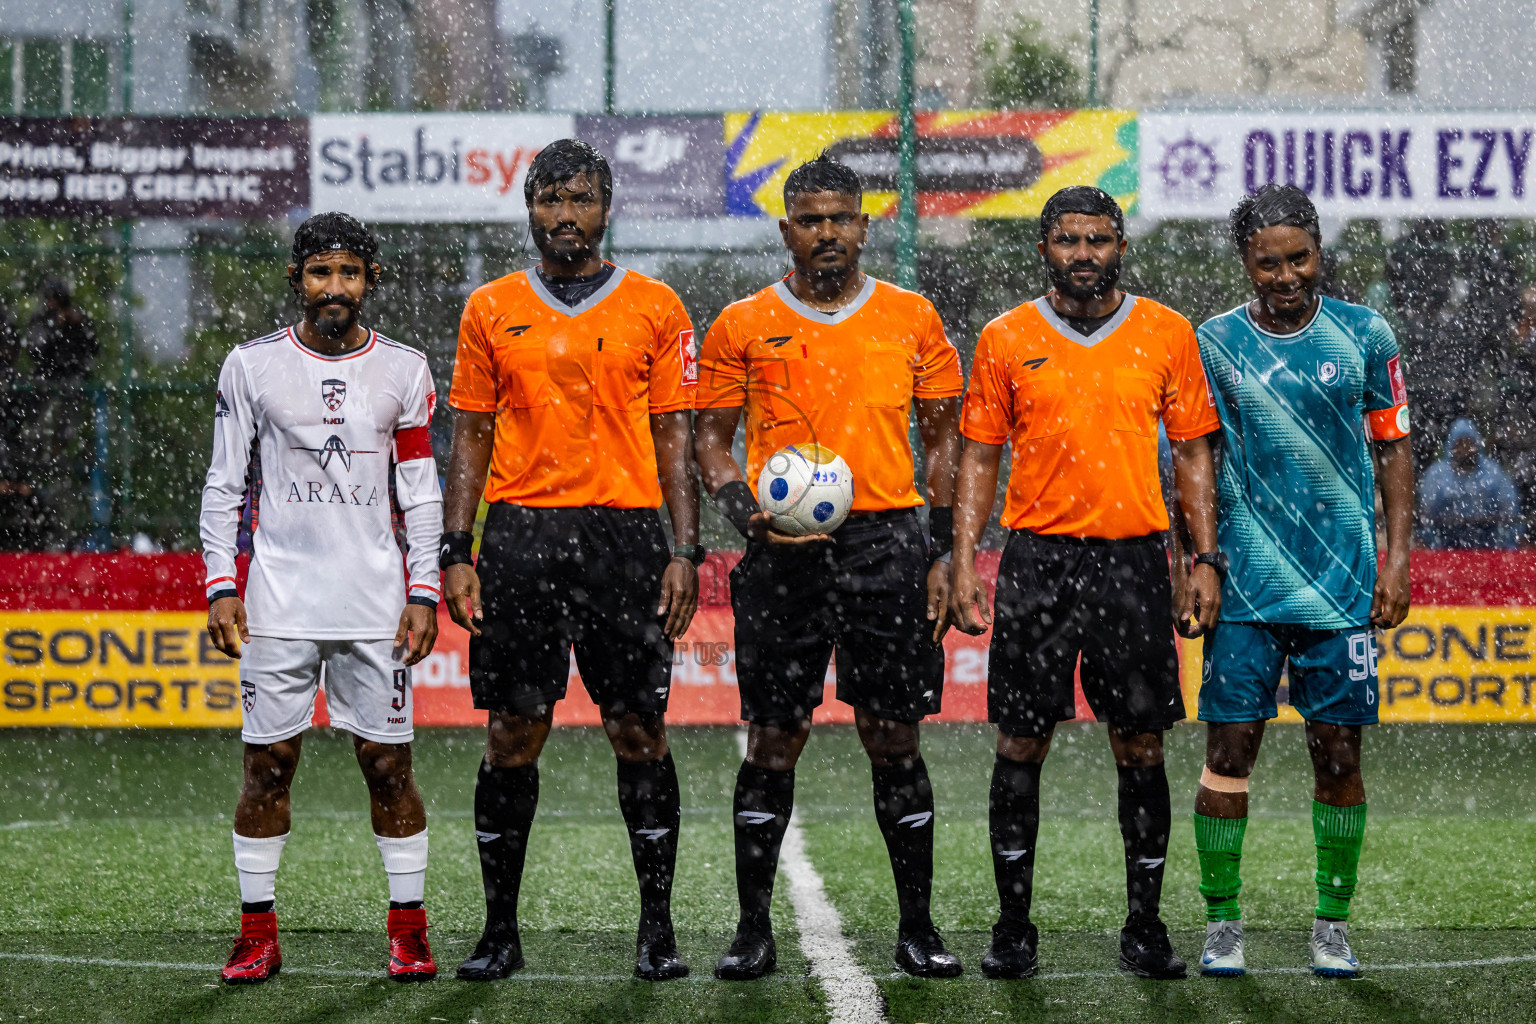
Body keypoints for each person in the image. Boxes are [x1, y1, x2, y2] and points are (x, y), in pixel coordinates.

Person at [695, 153, 965, 980]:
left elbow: (946, 437)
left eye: (840, 219)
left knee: (894, 737)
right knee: (774, 740)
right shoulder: (741, 322)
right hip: (781, 554)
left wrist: (945, 549)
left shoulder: (912, 317)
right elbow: (709, 443)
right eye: (809, 220)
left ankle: (917, 929)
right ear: (787, 230)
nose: (826, 234)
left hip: (888, 544)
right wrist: (751, 515)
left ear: (863, 225)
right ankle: (752, 931)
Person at [441, 139, 702, 982]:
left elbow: (675, 436)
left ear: (605, 207)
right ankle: (498, 932)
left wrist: (684, 550)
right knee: (514, 732)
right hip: (520, 536)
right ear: (529, 209)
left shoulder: (656, 306)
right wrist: (458, 548)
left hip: (625, 541)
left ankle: (657, 929)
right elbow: (471, 435)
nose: (565, 215)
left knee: (637, 728)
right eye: (550, 199)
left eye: (581, 199)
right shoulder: (489, 308)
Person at [949, 185, 1221, 981]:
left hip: (1135, 561)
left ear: (1121, 247)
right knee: (1020, 741)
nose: (1083, 254)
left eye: (1098, 239)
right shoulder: (1006, 337)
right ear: (1044, 248)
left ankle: (1144, 925)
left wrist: (1201, 560)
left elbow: (1195, 453)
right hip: (1039, 561)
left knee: (1140, 744)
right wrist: (965, 558)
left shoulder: (1167, 333)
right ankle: (1012, 927)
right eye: (1068, 240)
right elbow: (979, 456)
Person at [200, 212, 444, 983]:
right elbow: (224, 481)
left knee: (388, 767)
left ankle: (408, 931)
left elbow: (421, 492)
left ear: (370, 282)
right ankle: (257, 932)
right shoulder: (252, 365)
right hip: (278, 606)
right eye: (319, 272)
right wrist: (221, 584)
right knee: (267, 767)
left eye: (348, 273)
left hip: (374, 609)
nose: (333, 287)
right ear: (297, 279)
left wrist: (424, 590)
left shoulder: (403, 370)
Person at [1184, 184, 1414, 979]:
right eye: (1267, 263)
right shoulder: (1213, 342)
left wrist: (1397, 559)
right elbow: (1196, 459)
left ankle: (1332, 923)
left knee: (1339, 758)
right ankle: (1221, 922)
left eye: (1299, 258)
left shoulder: (1364, 334)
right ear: (1245, 263)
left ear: (1319, 251)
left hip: (1343, 585)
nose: (1285, 276)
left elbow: (1394, 450)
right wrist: (1202, 561)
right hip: (1246, 585)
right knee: (1229, 750)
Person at [1418, 418, 1519, 549]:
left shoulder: (1493, 473)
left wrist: (1509, 542)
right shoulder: (1437, 474)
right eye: (1459, 443)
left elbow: (1510, 509)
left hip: (1488, 546)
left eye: (1469, 443)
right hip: (1445, 546)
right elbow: (1426, 513)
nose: (1464, 449)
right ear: (1451, 446)